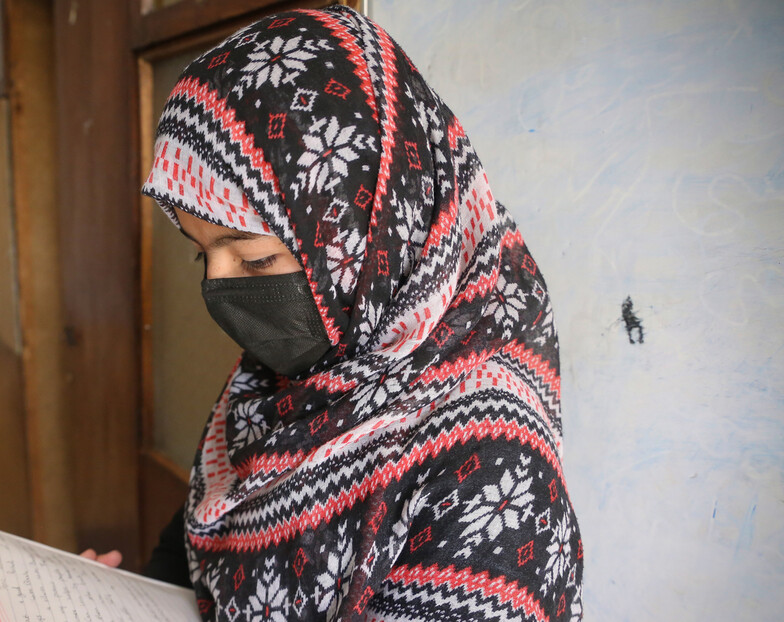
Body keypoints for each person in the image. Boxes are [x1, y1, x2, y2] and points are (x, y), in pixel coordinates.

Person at [88, 5, 584, 620]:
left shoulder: (491, 467)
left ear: (369, 241)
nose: (217, 290)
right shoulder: (282, 384)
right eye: (201, 258)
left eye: (255, 261)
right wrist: (105, 597)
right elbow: (195, 554)